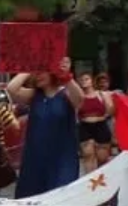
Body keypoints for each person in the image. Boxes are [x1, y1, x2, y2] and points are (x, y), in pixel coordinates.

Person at [7, 60, 81, 198]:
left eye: (42, 71)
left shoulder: (66, 94)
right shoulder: (34, 95)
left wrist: (66, 77)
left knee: (60, 198)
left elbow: (79, 99)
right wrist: (29, 66)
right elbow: (11, 89)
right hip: (35, 158)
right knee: (32, 202)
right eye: (36, 73)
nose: (38, 75)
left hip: (62, 158)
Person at [75, 72, 115, 169]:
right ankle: (90, 180)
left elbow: (111, 110)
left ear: (92, 81)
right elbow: (75, 112)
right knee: (88, 155)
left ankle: (102, 180)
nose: (84, 82)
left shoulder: (101, 94)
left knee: (102, 158)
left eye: (86, 79)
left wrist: (103, 117)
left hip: (100, 125)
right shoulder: (79, 97)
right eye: (82, 80)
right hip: (85, 126)